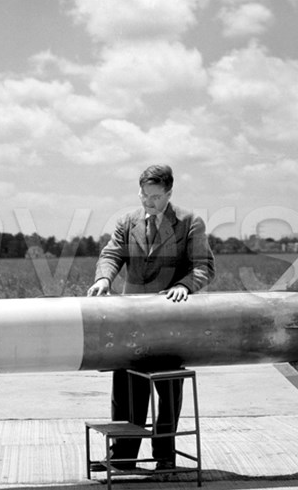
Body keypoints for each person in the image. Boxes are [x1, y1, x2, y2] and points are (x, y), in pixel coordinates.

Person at [86, 163, 215, 471]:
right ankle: (123, 456)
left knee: (168, 391)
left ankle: (165, 457)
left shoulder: (189, 222)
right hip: (130, 320)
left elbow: (204, 266)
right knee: (126, 388)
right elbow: (111, 254)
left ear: (169, 193)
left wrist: (185, 285)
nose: (149, 202)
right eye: (144, 195)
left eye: (156, 197)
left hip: (170, 320)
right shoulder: (127, 221)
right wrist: (104, 278)